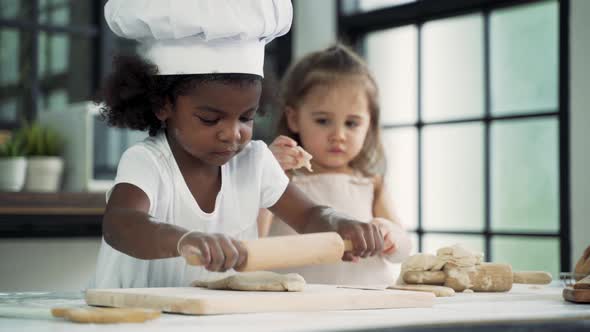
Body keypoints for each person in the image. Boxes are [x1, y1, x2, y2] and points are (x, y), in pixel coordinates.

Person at [90, 0, 384, 289]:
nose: (232, 134)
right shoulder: (147, 161)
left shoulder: (254, 161)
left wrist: (341, 222)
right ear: (162, 106)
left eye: (246, 117)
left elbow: (308, 215)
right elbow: (122, 223)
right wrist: (184, 240)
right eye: (210, 119)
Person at [258, 44, 412, 286]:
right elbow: (255, 239)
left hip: (368, 302)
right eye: (323, 120)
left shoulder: (371, 183)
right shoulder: (283, 179)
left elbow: (404, 251)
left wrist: (390, 235)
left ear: (369, 125)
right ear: (294, 118)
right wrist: (265, 170)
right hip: (299, 306)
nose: (338, 134)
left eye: (352, 123)